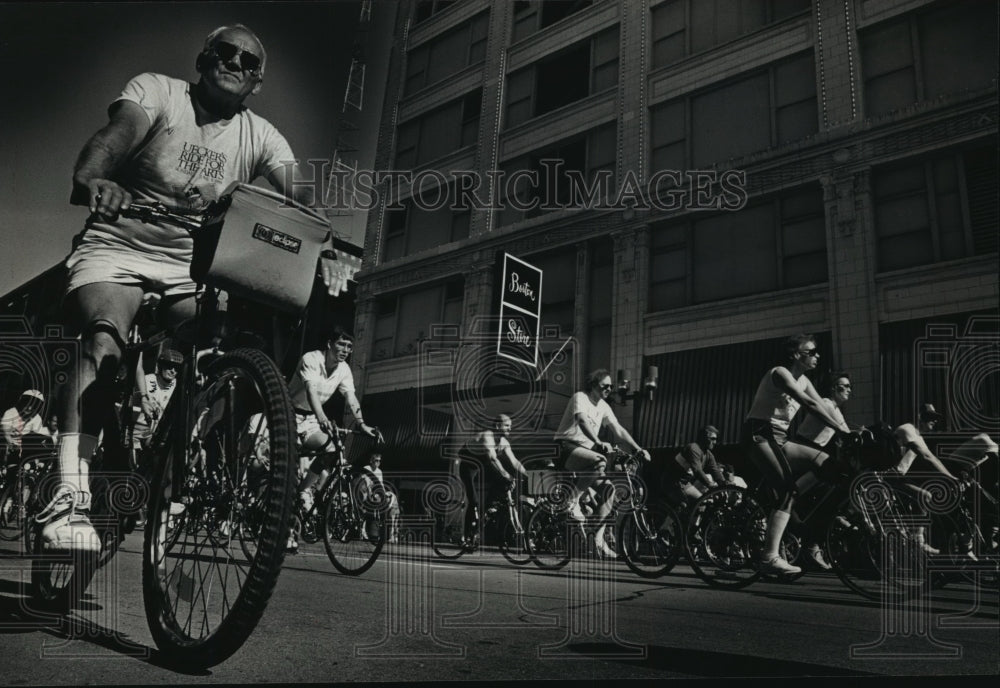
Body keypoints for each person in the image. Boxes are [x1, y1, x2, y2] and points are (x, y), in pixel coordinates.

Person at [42, 24, 316, 552]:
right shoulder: (159, 92)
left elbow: (301, 198)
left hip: (188, 267)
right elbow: (116, 136)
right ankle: (69, 495)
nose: (235, 63)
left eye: (249, 62)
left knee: (217, 345)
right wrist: (95, 176)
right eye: (225, 52)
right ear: (203, 58)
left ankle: (166, 459)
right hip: (118, 246)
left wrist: (321, 243)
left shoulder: (261, 136)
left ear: (257, 81)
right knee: (105, 341)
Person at [743, 335, 851, 575]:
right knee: (787, 491)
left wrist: (849, 432)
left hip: (779, 437)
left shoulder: (804, 380)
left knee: (827, 464)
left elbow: (821, 405)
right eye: (810, 352)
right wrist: (841, 431)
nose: (817, 356)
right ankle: (769, 557)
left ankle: (805, 530)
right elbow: (809, 404)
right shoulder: (780, 373)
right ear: (795, 355)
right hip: (759, 434)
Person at [288, 327, 377, 552]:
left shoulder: (344, 369)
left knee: (331, 449)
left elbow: (351, 397)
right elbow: (310, 390)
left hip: (310, 418)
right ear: (329, 344)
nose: (345, 350)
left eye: (349, 347)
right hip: (289, 414)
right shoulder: (311, 359)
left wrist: (362, 423)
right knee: (288, 470)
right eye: (341, 344)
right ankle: (285, 526)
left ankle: (303, 491)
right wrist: (322, 418)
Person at [553, 369, 650, 558]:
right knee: (599, 460)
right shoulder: (580, 397)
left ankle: (596, 540)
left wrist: (638, 449)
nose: (609, 389)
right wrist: (598, 442)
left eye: (611, 386)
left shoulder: (604, 406)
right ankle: (571, 501)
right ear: (593, 385)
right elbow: (582, 421)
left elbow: (618, 429)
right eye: (604, 385)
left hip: (584, 454)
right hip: (564, 447)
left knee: (609, 491)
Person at [791, 371, 854, 570]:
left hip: (813, 455)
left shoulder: (836, 410)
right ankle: (810, 543)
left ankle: (811, 537)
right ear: (834, 388)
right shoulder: (827, 404)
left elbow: (847, 431)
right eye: (845, 386)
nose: (849, 390)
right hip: (805, 452)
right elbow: (845, 432)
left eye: (850, 386)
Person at [456, 414, 529, 540]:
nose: (510, 428)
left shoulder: (504, 443)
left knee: (503, 484)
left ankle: (490, 507)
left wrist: (529, 476)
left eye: (510, 426)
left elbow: (515, 462)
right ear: (497, 426)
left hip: (483, 465)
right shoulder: (487, 437)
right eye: (507, 425)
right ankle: (465, 537)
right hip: (468, 466)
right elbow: (493, 459)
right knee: (473, 501)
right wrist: (506, 475)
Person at [132, 348, 183, 460]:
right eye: (169, 366)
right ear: (161, 365)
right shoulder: (146, 380)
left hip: (156, 435)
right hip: (136, 431)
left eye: (177, 368)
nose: (173, 371)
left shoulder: (178, 387)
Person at [667, 425, 728, 506]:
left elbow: (715, 471)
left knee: (702, 503)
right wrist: (710, 485)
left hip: (685, 484)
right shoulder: (693, 448)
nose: (715, 442)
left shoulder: (708, 455)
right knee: (684, 505)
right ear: (704, 437)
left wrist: (724, 485)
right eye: (712, 439)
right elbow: (697, 470)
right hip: (671, 483)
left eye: (716, 439)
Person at [357, 453, 400, 543]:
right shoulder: (366, 468)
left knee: (391, 498)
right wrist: (370, 492)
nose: (378, 463)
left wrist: (383, 494)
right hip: (365, 492)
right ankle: (364, 530)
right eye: (376, 460)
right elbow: (363, 483)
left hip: (375, 493)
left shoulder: (379, 472)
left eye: (379, 461)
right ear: (371, 461)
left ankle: (391, 533)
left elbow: (380, 485)